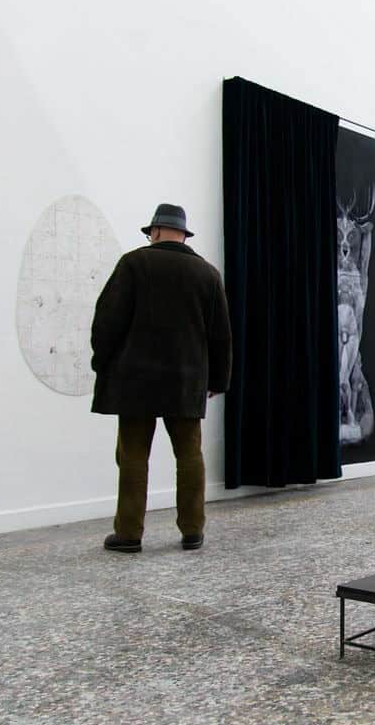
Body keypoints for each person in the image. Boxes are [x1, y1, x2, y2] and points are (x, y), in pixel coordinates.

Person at [91, 204, 232, 553]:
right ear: (183, 235)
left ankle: (129, 533)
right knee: (189, 454)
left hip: (135, 379)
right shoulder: (207, 274)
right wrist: (217, 379)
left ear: (154, 232)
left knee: (133, 455)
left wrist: (101, 362)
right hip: (186, 380)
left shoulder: (133, 264)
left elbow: (107, 321)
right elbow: (221, 335)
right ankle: (192, 530)